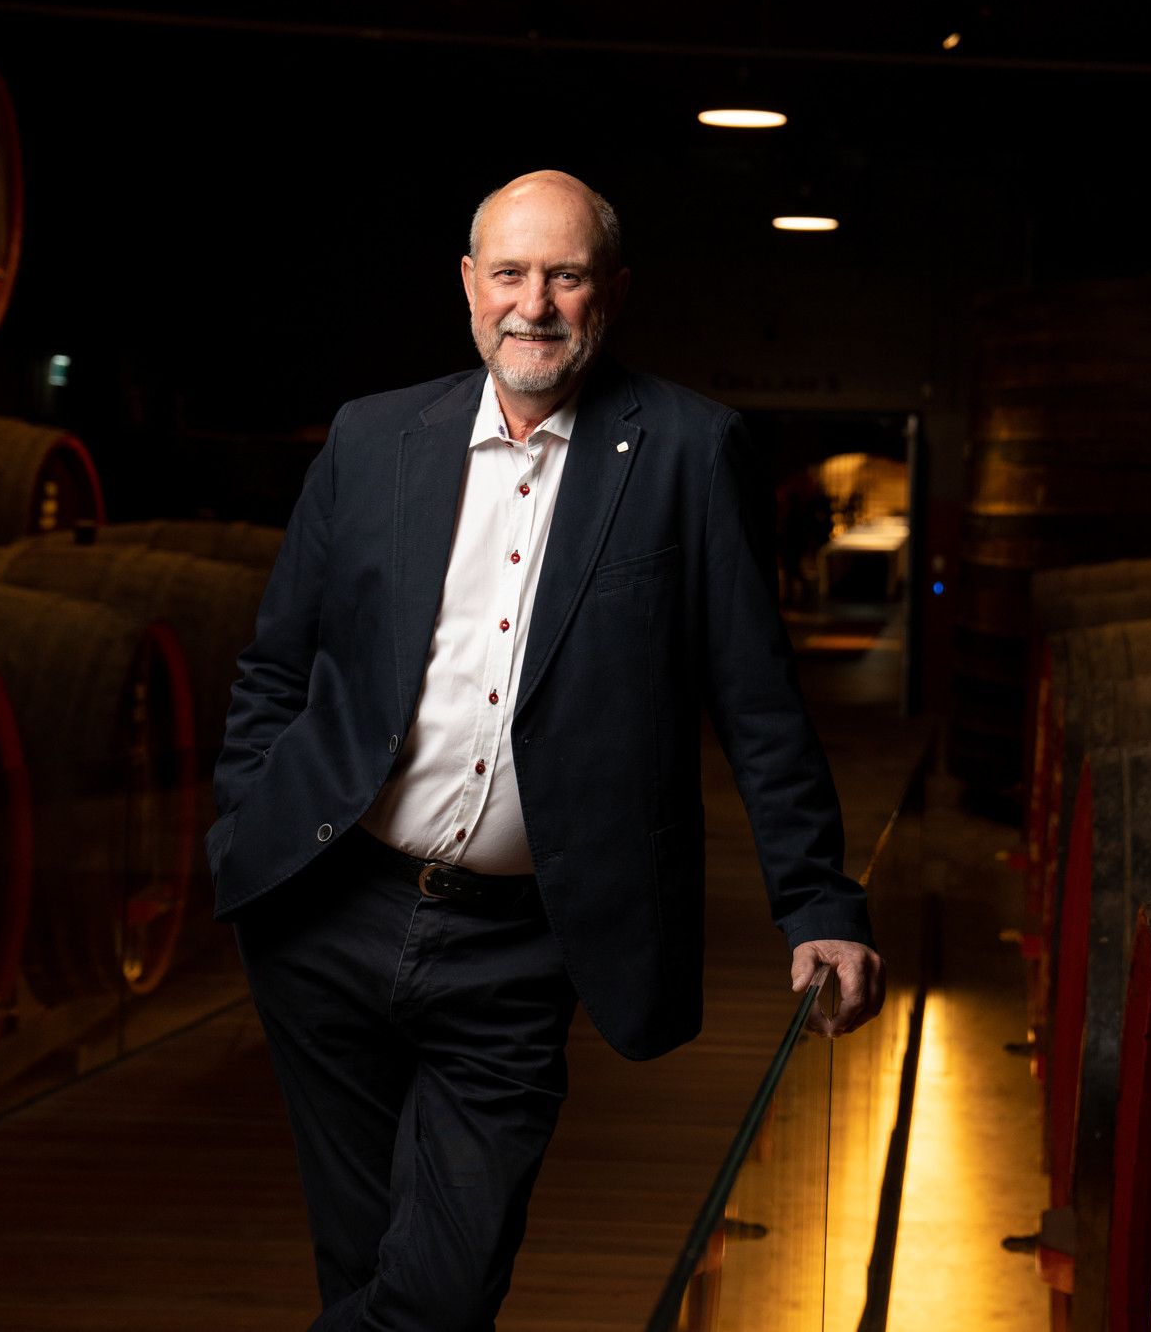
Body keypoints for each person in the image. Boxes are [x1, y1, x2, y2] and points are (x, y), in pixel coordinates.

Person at [206, 169, 884, 1331]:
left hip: (517, 951)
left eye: (564, 275)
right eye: (510, 274)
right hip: (330, 920)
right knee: (360, 1261)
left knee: (443, 1288)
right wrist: (247, 825)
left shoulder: (686, 447)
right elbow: (278, 665)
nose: (535, 303)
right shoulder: (373, 439)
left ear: (610, 292)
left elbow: (755, 699)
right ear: (468, 287)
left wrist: (818, 902)